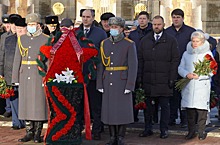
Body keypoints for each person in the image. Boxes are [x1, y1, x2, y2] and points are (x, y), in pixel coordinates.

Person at [37, 18, 98, 145]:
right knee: (65, 111)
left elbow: (92, 53)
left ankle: (66, 135)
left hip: (68, 81)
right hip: (63, 81)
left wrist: (87, 78)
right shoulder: (59, 41)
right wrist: (45, 76)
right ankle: (63, 135)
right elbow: (41, 56)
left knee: (70, 111)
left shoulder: (77, 40)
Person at [97, 16, 138, 145]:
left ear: (121, 29)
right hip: (108, 80)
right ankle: (112, 136)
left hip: (122, 80)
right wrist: (99, 83)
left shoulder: (129, 44)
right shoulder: (105, 43)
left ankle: (120, 136)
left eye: (116, 27)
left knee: (121, 111)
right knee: (109, 111)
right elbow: (101, 65)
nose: (113, 29)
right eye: (111, 27)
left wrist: (130, 84)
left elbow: (133, 65)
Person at [137, 15, 180, 139]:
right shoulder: (145, 40)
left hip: (165, 80)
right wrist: (140, 78)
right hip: (148, 80)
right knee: (148, 107)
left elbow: (175, 60)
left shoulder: (171, 40)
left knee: (164, 107)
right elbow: (140, 60)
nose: (156, 26)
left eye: (159, 24)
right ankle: (148, 128)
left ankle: (164, 130)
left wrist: (172, 78)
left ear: (163, 25)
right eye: (154, 24)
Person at [12, 13, 48, 143]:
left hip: (38, 74)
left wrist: (47, 77)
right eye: (29, 25)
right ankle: (29, 132)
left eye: (33, 24)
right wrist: (15, 77)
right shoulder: (22, 39)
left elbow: (48, 60)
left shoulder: (45, 39)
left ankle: (38, 133)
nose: (31, 27)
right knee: (26, 104)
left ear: (39, 25)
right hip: (24, 74)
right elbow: (18, 59)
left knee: (38, 104)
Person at [178, 31, 215, 140]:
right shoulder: (186, 53)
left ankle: (201, 131)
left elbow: (212, 70)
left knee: (201, 111)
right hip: (189, 84)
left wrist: (200, 75)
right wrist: (187, 74)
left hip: (201, 85)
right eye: (193, 41)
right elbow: (180, 67)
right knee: (190, 111)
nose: (195, 43)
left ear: (202, 42)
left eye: (197, 41)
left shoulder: (207, 54)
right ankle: (191, 131)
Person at [77, 9, 107, 140]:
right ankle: (78, 129)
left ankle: (96, 130)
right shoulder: (76, 32)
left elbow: (104, 53)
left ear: (93, 18)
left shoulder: (100, 33)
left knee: (95, 104)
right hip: (78, 74)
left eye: (88, 17)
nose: (85, 19)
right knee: (79, 104)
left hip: (94, 74)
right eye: (83, 17)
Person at [165, 8, 196, 128]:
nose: (176, 19)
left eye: (178, 17)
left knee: (186, 95)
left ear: (183, 18)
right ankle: (172, 118)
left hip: (186, 68)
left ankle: (185, 120)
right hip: (171, 68)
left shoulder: (190, 32)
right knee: (172, 95)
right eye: (174, 17)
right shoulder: (167, 32)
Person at [0, 16, 26, 130]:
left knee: (24, 97)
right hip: (9, 72)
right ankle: (16, 122)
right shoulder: (8, 39)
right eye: (16, 26)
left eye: (20, 27)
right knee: (13, 97)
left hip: (23, 73)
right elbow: (3, 56)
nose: (17, 29)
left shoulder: (27, 40)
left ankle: (25, 120)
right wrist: (1, 72)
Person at [128, 11, 152, 123]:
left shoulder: (152, 32)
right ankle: (134, 115)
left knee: (148, 94)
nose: (142, 20)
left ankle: (151, 118)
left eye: (144, 18)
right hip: (136, 65)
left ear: (148, 20)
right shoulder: (133, 34)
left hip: (148, 65)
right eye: (140, 18)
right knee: (134, 92)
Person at [0, 14, 19, 118]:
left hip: (16, 66)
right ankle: (8, 109)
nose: (10, 26)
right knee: (8, 90)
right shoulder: (4, 37)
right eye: (8, 24)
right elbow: (2, 53)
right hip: (7, 66)